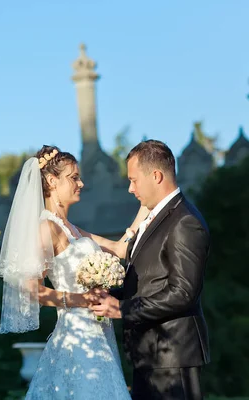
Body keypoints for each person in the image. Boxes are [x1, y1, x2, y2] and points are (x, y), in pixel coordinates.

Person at [0, 145, 147, 399]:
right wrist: (78, 299)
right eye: (73, 177)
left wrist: (146, 203)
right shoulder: (46, 228)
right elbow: (30, 287)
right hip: (76, 335)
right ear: (52, 181)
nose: (81, 183)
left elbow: (120, 248)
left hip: (100, 331)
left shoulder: (73, 229)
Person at [91, 140, 210, 400]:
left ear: (156, 176)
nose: (130, 189)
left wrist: (121, 309)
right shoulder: (155, 217)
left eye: (134, 180)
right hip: (149, 353)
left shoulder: (185, 221)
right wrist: (111, 294)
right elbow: (148, 282)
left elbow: (183, 293)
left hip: (171, 356)